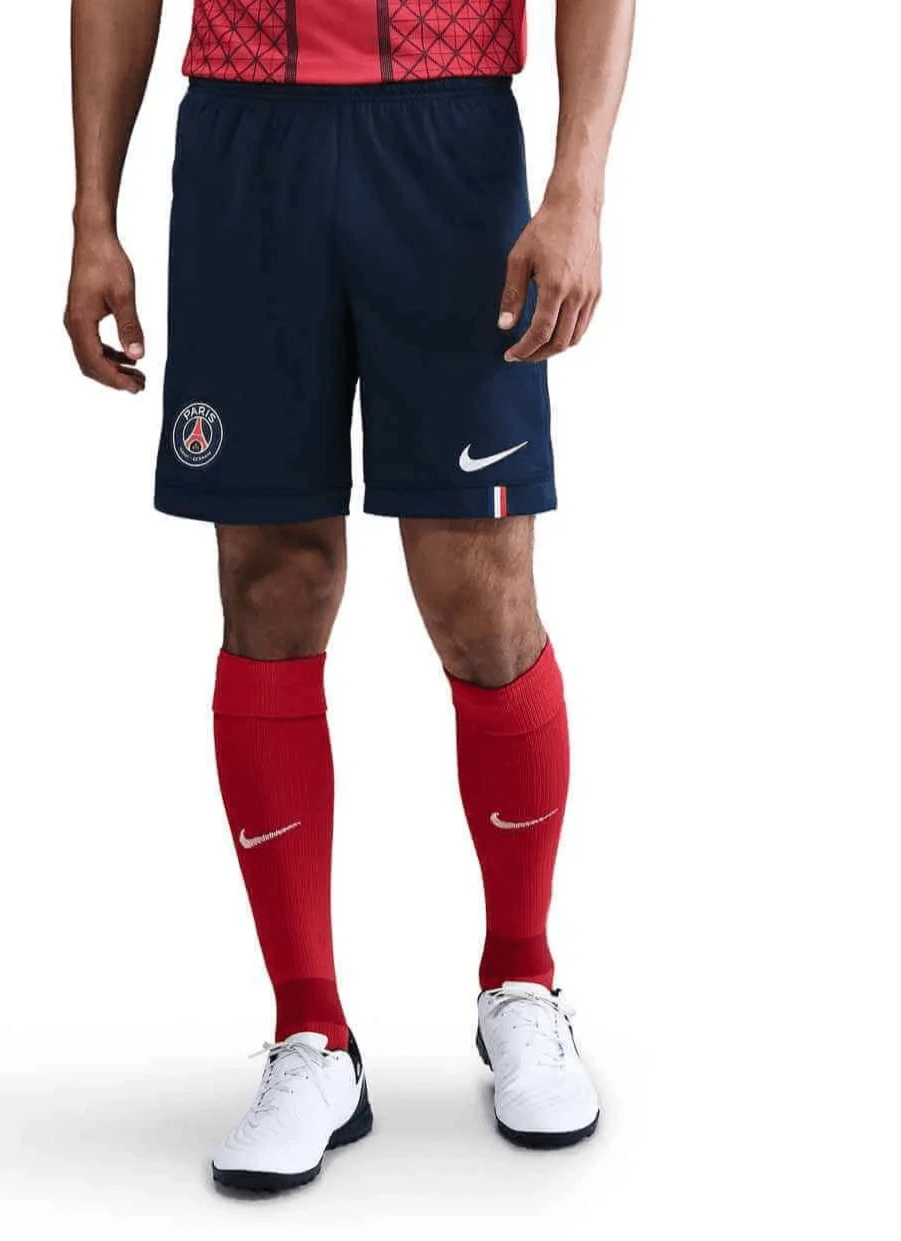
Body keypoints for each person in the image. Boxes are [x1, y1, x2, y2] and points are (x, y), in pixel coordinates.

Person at [65, 0, 634, 1192]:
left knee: (477, 589)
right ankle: (310, 1030)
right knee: (271, 582)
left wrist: (577, 186)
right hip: (245, 146)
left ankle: (520, 979)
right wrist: (92, 215)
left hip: (448, 141)